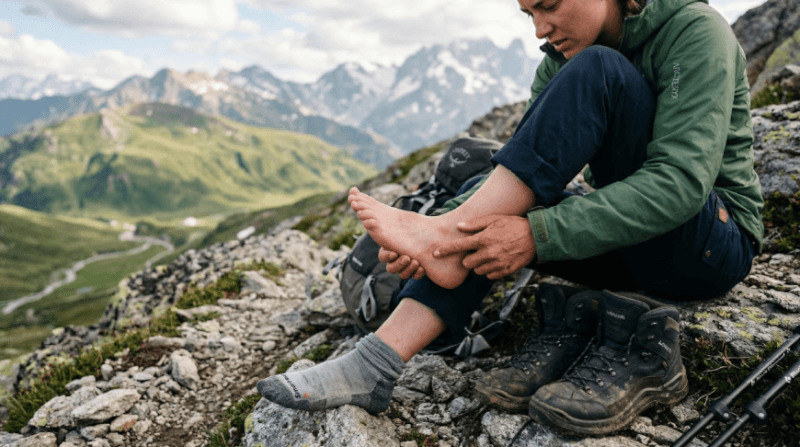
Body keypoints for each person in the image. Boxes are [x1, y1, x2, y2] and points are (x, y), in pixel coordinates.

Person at [257, 0, 763, 435]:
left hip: (710, 245)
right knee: (488, 202)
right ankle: (376, 362)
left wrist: (538, 236)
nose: (540, 28)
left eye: (549, 5)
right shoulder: (558, 59)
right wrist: (447, 230)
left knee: (598, 69)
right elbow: (517, 183)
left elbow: (678, 185)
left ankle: (440, 243)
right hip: (631, 244)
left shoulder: (695, 32)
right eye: (528, 13)